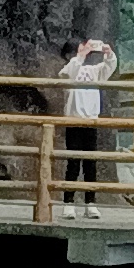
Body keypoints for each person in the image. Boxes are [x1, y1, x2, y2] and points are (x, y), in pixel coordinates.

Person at [56, 34, 117, 200]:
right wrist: (80, 56)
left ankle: (91, 202)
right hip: (73, 121)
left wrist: (109, 54)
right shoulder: (67, 70)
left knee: (91, 163)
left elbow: (109, 67)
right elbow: (70, 72)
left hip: (91, 121)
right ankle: (68, 201)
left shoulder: (94, 71)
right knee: (73, 163)